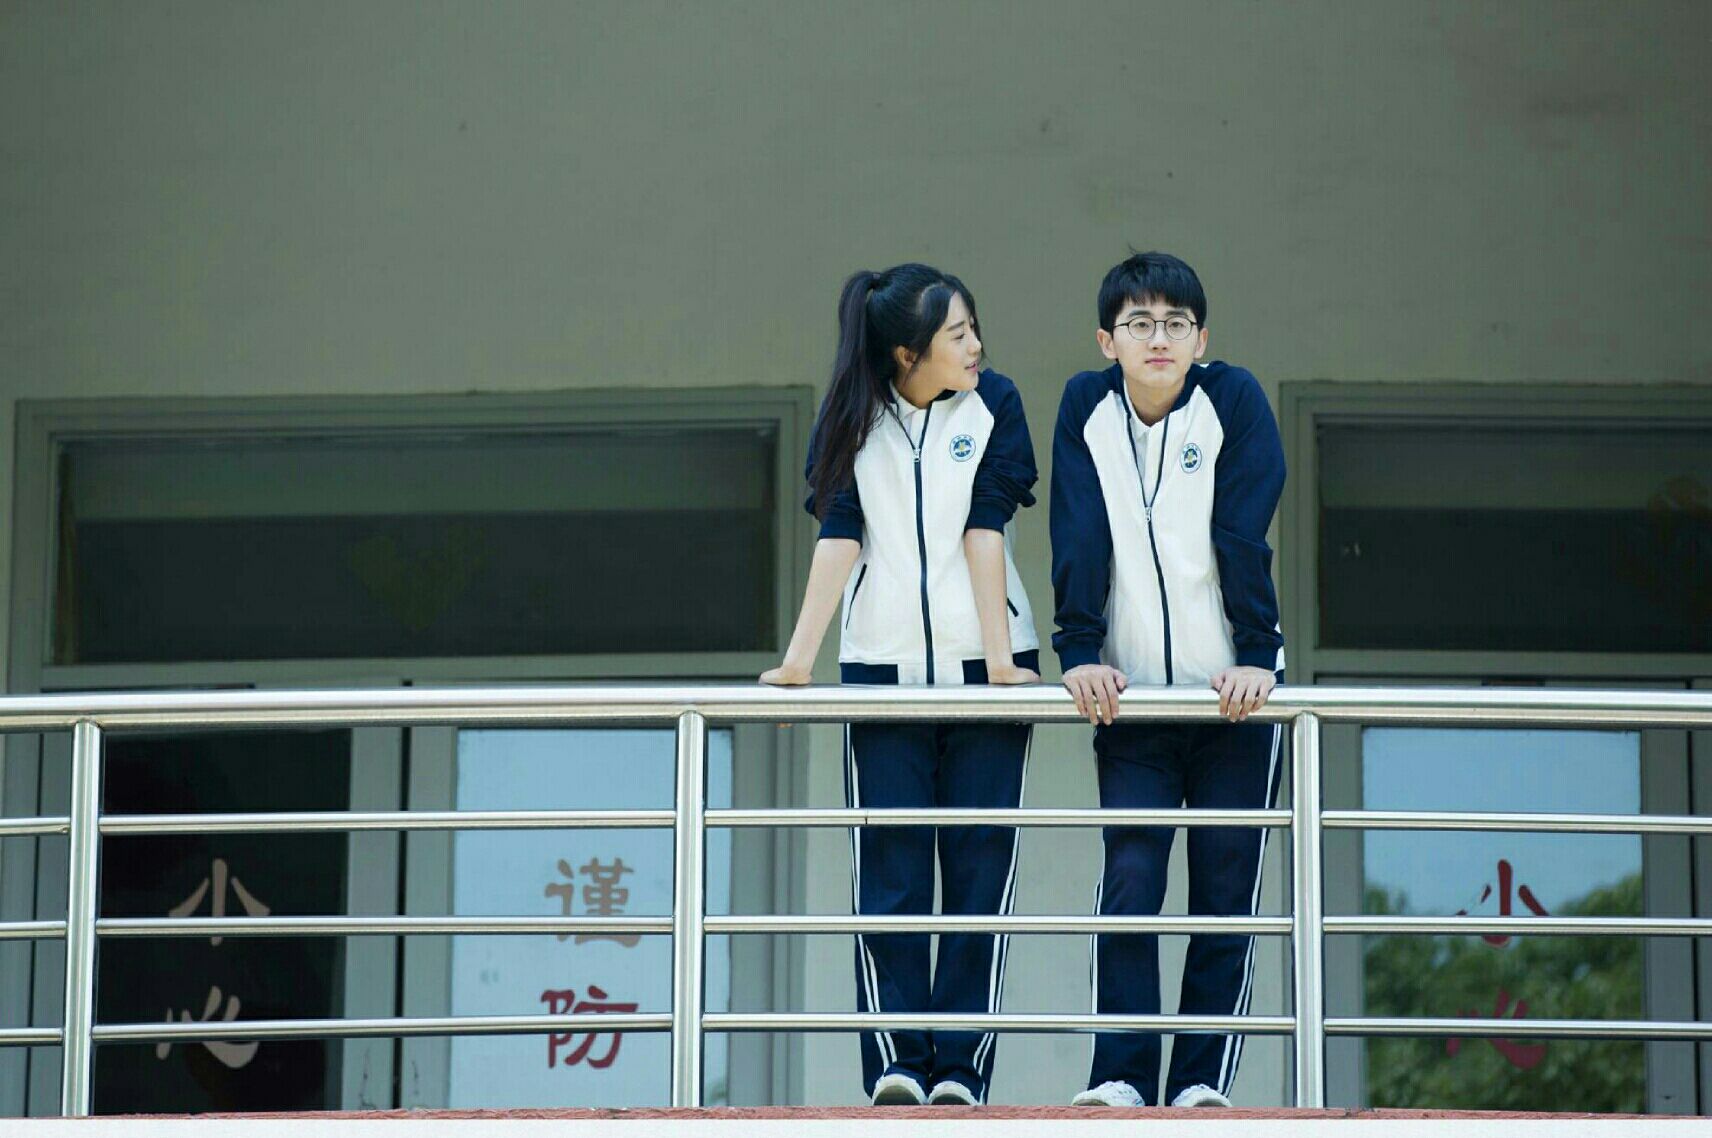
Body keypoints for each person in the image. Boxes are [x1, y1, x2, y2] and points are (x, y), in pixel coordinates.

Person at [762, 263, 1040, 1107]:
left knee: (979, 875)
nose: (977, 345)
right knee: (891, 876)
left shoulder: (996, 404)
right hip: (882, 674)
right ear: (906, 354)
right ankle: (896, 1063)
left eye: (973, 327)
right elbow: (840, 536)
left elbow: (985, 529)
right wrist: (800, 663)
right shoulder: (853, 417)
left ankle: (960, 1070)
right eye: (958, 334)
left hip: (987, 674)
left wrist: (1001, 664)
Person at [1049, 252, 1286, 1109]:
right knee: (1131, 882)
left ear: (1201, 339)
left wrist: (1256, 653)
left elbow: (1244, 532)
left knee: (1225, 889)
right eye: (1140, 324)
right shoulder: (1087, 406)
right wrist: (1078, 649)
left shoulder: (1234, 400)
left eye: (1177, 323)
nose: (1160, 338)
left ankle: (1199, 1081)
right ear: (1106, 340)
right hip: (1137, 697)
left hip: (1235, 697)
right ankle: (1120, 1073)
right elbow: (1078, 531)